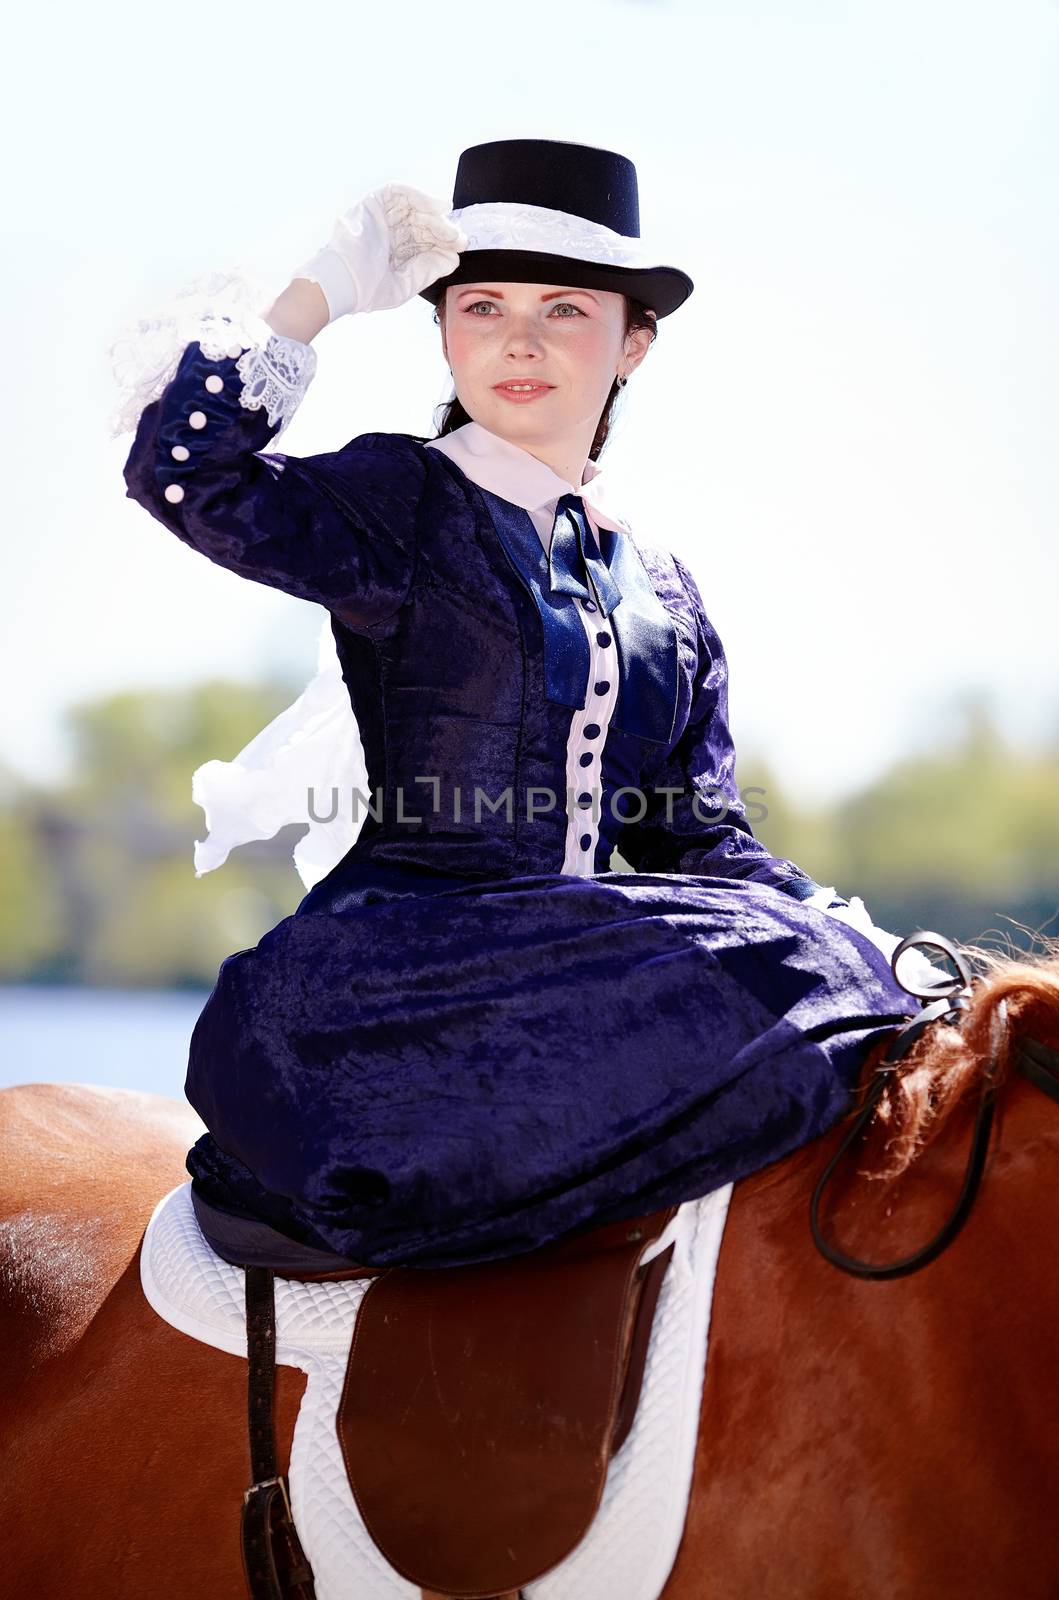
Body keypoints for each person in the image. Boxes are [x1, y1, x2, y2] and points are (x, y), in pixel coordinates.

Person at [118, 139, 933, 1272]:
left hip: (582, 990)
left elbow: (696, 842)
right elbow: (182, 473)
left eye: (563, 309)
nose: (517, 338)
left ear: (631, 341)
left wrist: (850, 934)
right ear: (441, 327)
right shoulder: (401, 499)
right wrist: (314, 297)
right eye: (481, 304)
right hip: (394, 985)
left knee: (849, 973)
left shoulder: (664, 590)